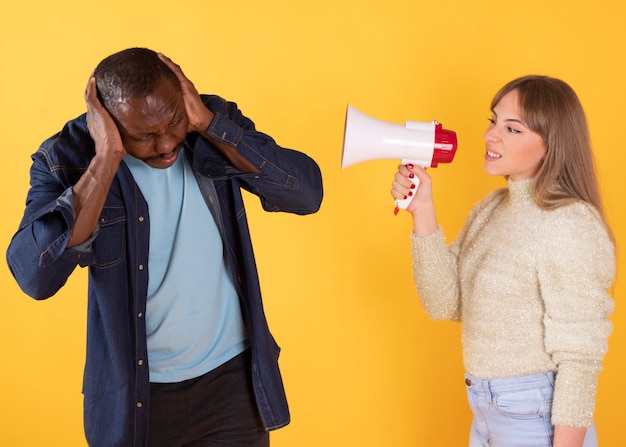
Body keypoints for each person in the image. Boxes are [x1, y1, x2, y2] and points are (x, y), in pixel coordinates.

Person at [6, 47, 323, 447]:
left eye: (174, 121)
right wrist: (105, 161)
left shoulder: (208, 122)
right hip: (137, 399)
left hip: (231, 386)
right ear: (106, 121)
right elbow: (35, 276)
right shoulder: (67, 158)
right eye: (144, 135)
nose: (167, 143)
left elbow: (306, 194)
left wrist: (209, 124)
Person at [391, 75, 615, 447]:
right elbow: (444, 303)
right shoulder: (492, 208)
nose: (491, 136)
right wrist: (422, 211)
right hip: (486, 411)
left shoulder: (571, 224)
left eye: (512, 128)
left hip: (536, 416)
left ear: (551, 145)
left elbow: (581, 356)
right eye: (493, 121)